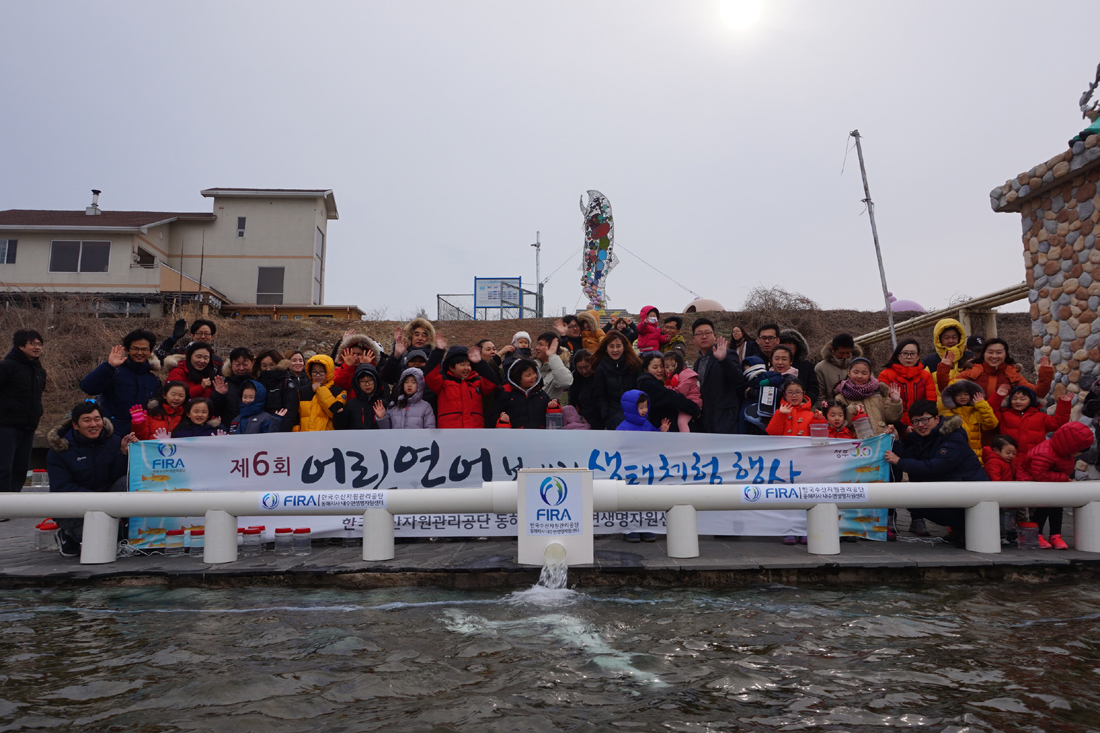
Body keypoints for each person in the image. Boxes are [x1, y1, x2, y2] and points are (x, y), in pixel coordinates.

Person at [885, 401, 988, 545]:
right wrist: (895, 439)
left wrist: (899, 462)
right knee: (915, 500)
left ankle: (966, 528)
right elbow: (909, 455)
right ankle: (960, 529)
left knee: (920, 498)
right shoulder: (925, 439)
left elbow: (933, 468)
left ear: (937, 419)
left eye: (925, 419)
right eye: (916, 421)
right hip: (951, 489)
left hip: (969, 491)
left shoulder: (954, 437)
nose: (921, 425)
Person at [46, 402, 137, 557]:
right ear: (75, 425)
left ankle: (125, 531)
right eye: (87, 420)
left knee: (128, 481)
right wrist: (98, 501)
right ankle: (67, 535)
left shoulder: (113, 441)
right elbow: (62, 487)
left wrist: (123, 453)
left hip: (106, 500)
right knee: (100, 538)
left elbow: (116, 477)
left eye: (97, 419)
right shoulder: (60, 450)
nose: (93, 424)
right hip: (75, 507)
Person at [1016, 421, 1095, 550]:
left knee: (1058, 507)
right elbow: (1040, 475)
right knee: (1043, 508)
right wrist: (1063, 478)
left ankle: (1055, 534)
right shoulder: (1044, 453)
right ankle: (1038, 534)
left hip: (1052, 483)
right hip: (1034, 483)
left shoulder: (1062, 451)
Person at [80, 328, 162, 435]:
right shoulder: (114, 372)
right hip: (112, 433)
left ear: (150, 351)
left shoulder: (154, 380)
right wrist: (109, 366)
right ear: (127, 350)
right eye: (135, 348)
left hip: (141, 434)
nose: (140, 353)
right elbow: (87, 387)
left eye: (144, 349)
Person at [954, 340, 1053, 423]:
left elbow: (1038, 393)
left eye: (999, 352)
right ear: (984, 354)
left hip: (1004, 426)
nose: (994, 356)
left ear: (1006, 354)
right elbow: (947, 389)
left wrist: (1046, 373)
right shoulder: (972, 373)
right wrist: (944, 367)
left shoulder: (1012, 374)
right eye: (990, 352)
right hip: (974, 424)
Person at [0, 330, 46, 503]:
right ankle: (3, 505)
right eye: (32, 343)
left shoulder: (39, 371)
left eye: (39, 344)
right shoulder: (7, 367)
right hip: (6, 425)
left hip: (28, 425)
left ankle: (14, 503)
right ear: (20, 346)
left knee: (20, 468)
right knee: (4, 466)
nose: (37, 347)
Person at [423, 337, 499, 429]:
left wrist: (479, 362)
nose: (466, 368)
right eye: (462, 365)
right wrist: (438, 351)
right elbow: (429, 374)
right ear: (451, 368)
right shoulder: (442, 382)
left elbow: (492, 382)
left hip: (474, 430)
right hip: (449, 432)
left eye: (468, 364)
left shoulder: (477, 382)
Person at [690, 318, 744, 434]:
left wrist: (723, 360)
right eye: (699, 334)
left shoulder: (727, 354)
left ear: (714, 335)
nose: (704, 337)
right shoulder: (697, 363)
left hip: (724, 417)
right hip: (705, 418)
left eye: (707, 333)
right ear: (694, 339)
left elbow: (738, 379)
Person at [834, 358, 903, 436]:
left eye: (864, 373)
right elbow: (839, 424)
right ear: (849, 373)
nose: (859, 376)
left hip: (881, 438)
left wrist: (895, 402)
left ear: (869, 375)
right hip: (857, 442)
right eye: (855, 372)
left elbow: (892, 418)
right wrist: (852, 410)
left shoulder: (879, 391)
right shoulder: (841, 396)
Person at [877, 339, 936, 426]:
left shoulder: (926, 375)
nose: (909, 357)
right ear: (898, 356)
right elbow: (883, 406)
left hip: (921, 424)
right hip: (896, 425)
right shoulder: (885, 375)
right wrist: (903, 427)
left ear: (918, 356)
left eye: (912, 353)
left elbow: (931, 403)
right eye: (905, 353)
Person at [635, 352, 700, 432]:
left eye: (662, 366)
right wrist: (694, 409)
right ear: (646, 370)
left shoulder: (655, 382)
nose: (660, 370)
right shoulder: (649, 384)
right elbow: (672, 397)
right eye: (655, 367)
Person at [591, 331, 643, 430]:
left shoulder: (634, 364)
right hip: (613, 415)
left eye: (618, 346)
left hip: (634, 413)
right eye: (611, 346)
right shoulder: (601, 368)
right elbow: (600, 395)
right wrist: (606, 415)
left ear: (624, 347)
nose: (615, 350)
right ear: (606, 349)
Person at [939, 380, 999, 460]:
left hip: (975, 456)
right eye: (958, 395)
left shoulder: (976, 412)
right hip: (955, 456)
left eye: (966, 394)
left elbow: (991, 424)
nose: (963, 397)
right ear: (952, 397)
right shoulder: (947, 414)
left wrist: (982, 405)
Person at [495, 359, 555, 429]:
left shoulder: (540, 393)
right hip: (515, 436)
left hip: (539, 435)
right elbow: (493, 416)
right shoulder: (507, 395)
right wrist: (502, 419)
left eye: (534, 373)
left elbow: (552, 414)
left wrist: (553, 405)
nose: (533, 377)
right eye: (528, 375)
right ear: (518, 379)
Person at [295, 354, 347, 432]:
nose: (318, 375)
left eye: (322, 372)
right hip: (305, 438)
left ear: (329, 372)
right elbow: (296, 418)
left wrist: (320, 389)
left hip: (327, 438)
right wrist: (295, 436)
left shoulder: (339, 392)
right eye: (314, 372)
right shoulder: (302, 391)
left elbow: (334, 413)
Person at [379, 317, 435, 386]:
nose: (420, 338)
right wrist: (396, 356)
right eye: (416, 335)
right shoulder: (402, 356)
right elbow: (386, 378)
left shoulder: (434, 358)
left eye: (424, 335)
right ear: (411, 336)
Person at [254, 349, 300, 432]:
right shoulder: (256, 383)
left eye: (272, 365)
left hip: (279, 430)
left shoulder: (286, 384)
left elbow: (290, 414)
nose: (268, 369)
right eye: (264, 366)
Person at [155, 319, 223, 371]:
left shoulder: (217, 360)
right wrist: (172, 339)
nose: (203, 337)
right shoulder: (180, 352)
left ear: (212, 337)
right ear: (193, 335)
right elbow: (157, 358)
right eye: (199, 333)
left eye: (206, 334)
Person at [334, 364, 387, 430]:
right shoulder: (351, 405)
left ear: (376, 381)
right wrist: (339, 415)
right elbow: (342, 428)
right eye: (362, 381)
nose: (367, 384)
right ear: (357, 383)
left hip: (377, 439)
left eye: (370, 380)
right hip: (356, 439)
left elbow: (388, 429)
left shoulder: (383, 404)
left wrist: (382, 418)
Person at [210, 347, 255, 424]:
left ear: (252, 364)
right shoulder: (224, 384)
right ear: (231, 365)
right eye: (237, 365)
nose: (241, 368)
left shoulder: (258, 383)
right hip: (230, 428)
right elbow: (214, 410)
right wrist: (219, 395)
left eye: (245, 364)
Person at [332, 332, 383, 399]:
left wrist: (366, 366)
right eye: (352, 354)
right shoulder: (342, 369)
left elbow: (378, 388)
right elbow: (337, 384)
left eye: (359, 354)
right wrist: (347, 366)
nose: (355, 358)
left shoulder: (375, 370)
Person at [815, 334, 859, 402]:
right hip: (833, 408)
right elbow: (820, 395)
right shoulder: (821, 368)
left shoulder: (860, 364)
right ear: (832, 349)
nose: (845, 356)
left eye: (848, 353)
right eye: (841, 353)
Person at [778, 329, 818, 404]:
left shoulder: (806, 365)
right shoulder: (773, 364)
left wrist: (806, 402)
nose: (787, 346)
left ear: (797, 346)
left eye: (791, 343)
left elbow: (813, 388)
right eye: (783, 343)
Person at [567, 349, 601, 430]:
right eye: (580, 368)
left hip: (600, 417)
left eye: (586, 367)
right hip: (584, 418)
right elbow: (572, 399)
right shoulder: (575, 378)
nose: (584, 371)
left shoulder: (600, 375)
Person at [533, 332, 573, 402]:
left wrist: (553, 356)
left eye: (541, 344)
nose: (537, 348)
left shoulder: (559, 368)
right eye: (537, 344)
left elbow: (565, 383)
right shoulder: (532, 366)